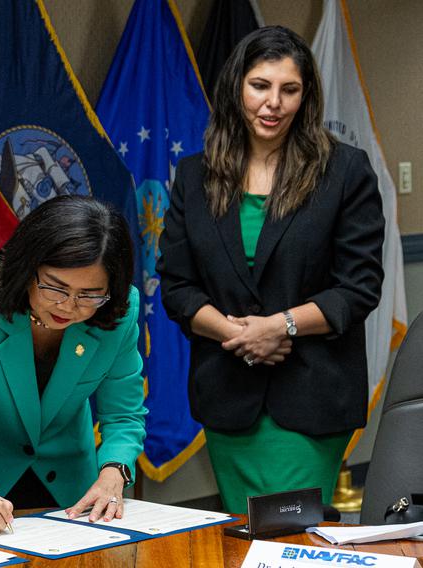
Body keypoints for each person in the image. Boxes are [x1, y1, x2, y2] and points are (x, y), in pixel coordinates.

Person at [157, 26, 384, 514]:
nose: (273, 103)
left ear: (306, 96)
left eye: (290, 89)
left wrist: (280, 326)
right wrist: (238, 334)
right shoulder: (195, 175)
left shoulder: (345, 171)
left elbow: (359, 287)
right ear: (237, 86)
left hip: (312, 395)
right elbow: (176, 285)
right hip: (227, 394)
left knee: (291, 539)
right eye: (260, 85)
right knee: (243, 534)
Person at [0, 195, 147, 533]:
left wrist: (112, 473)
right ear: (27, 267)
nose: (69, 306)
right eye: (55, 287)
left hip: (68, 486)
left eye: (89, 295)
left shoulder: (116, 312)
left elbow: (123, 415)